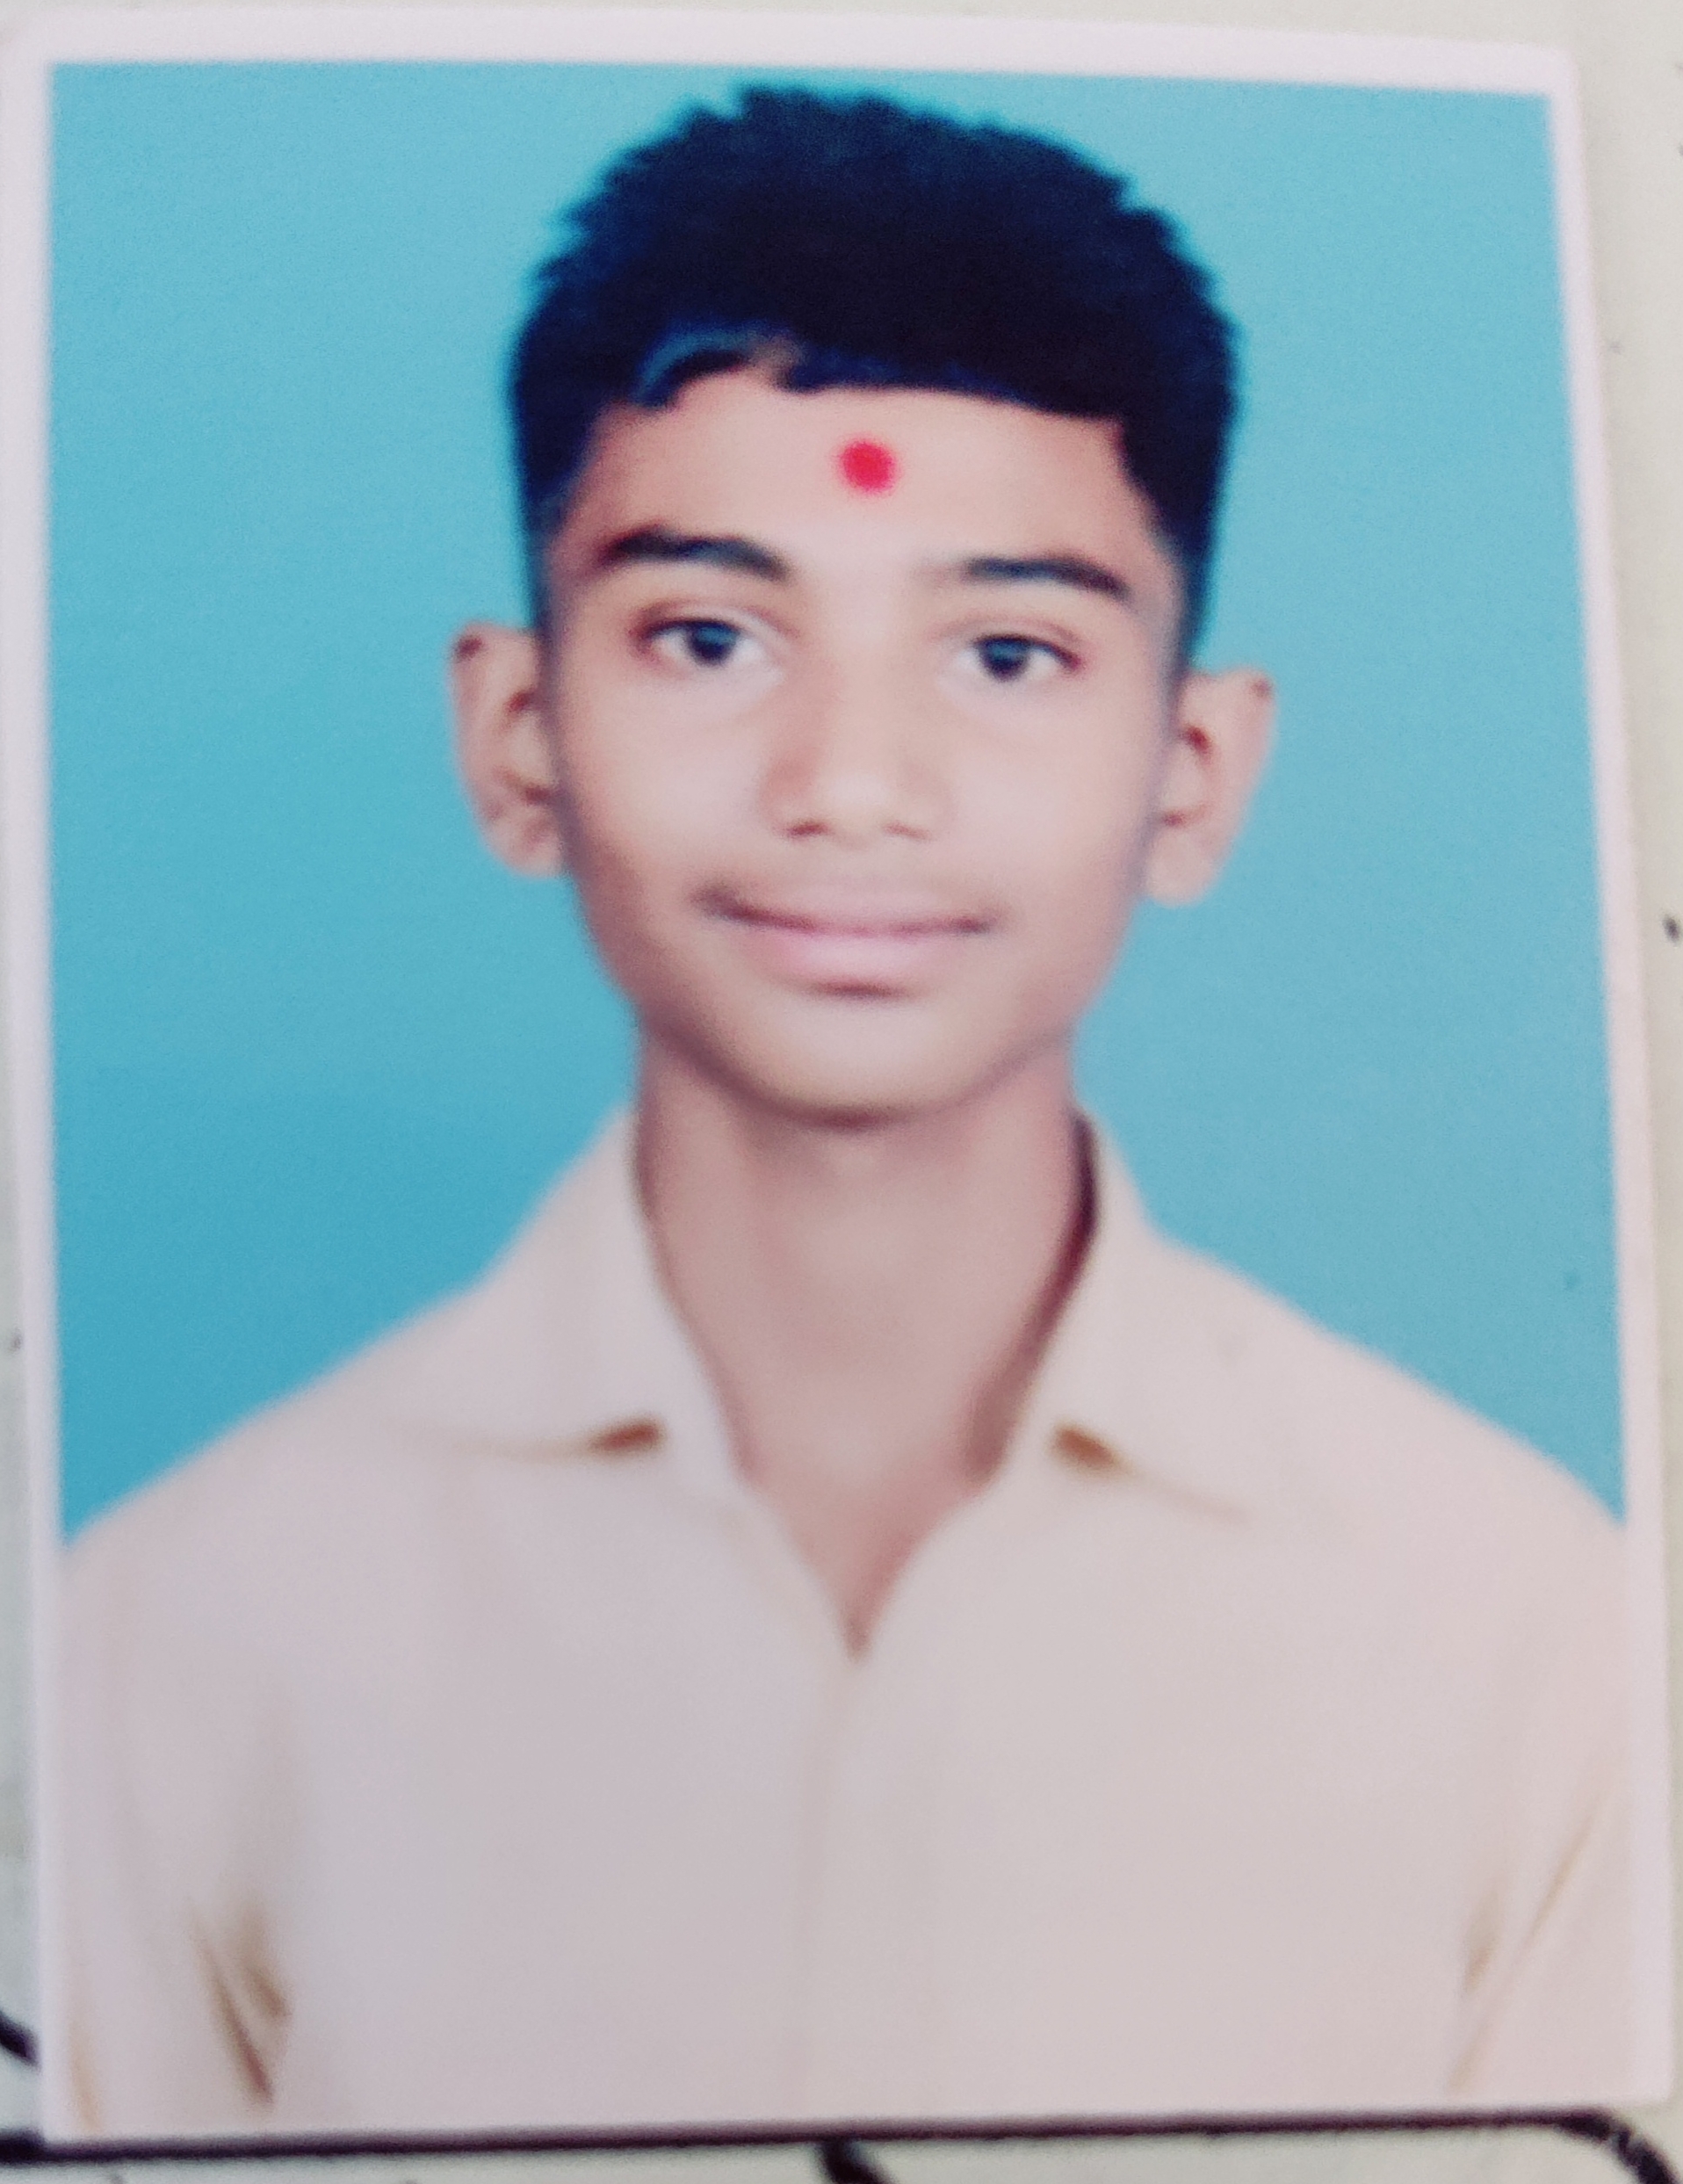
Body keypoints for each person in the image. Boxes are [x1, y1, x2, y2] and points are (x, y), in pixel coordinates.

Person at [56, 87, 1636, 2139]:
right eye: (710, 636)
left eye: (1009, 652)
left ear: (1193, 770)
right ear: (517, 733)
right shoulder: (173, 1637)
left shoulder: (1526, 1635)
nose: (853, 784)